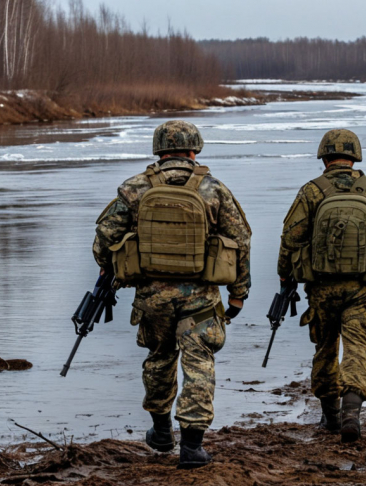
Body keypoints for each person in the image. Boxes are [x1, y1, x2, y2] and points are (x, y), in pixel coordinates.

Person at [93, 120, 252, 469]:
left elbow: (104, 237)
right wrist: (238, 293)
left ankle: (161, 431)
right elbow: (240, 242)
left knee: (160, 357)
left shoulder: (134, 188)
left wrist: (108, 268)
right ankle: (192, 447)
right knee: (199, 363)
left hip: (152, 297)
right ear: (194, 150)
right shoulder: (214, 189)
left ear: (158, 150)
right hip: (202, 298)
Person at [277, 128, 366, 442]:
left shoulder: (311, 191)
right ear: (355, 157)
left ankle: (331, 417)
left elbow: (290, 239)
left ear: (324, 157)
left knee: (324, 349)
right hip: (363, 286)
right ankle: (352, 414)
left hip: (321, 287)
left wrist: (286, 276)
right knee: (357, 348)